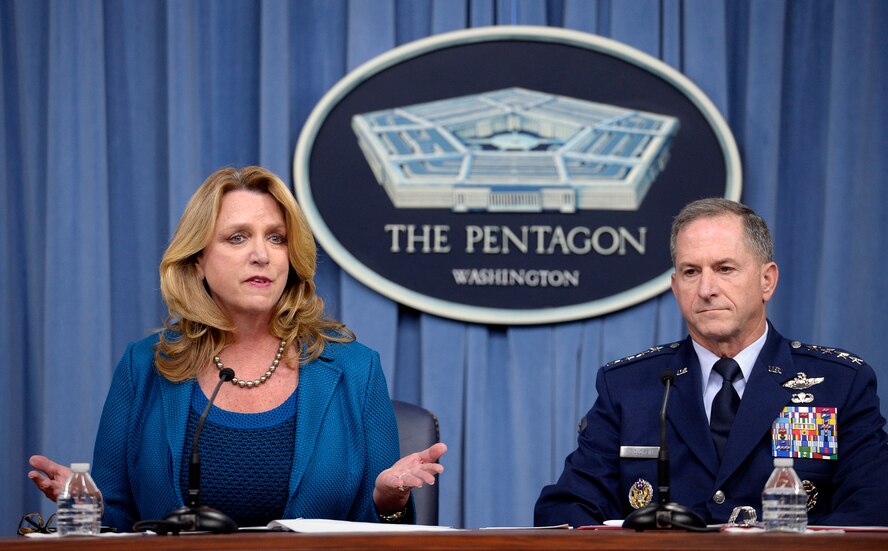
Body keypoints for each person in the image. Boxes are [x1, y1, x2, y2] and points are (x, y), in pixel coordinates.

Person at [28, 166, 447, 531]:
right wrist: (84, 502)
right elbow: (118, 522)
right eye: (237, 238)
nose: (261, 255)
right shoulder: (144, 366)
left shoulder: (356, 368)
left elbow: (382, 536)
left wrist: (390, 501)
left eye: (277, 238)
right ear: (197, 260)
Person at [535, 197, 888, 527]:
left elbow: (873, 508)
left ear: (767, 280)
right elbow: (564, 509)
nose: (706, 289)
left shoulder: (840, 384)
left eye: (724, 268)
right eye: (691, 272)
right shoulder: (629, 387)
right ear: (675, 288)